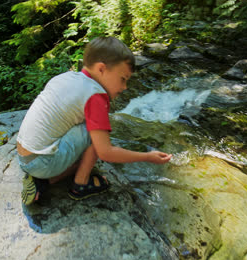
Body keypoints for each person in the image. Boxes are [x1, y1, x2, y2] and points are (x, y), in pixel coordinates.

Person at [17, 36, 172, 205]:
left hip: (25, 157)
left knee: (91, 140)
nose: (125, 87)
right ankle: (80, 185)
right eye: (123, 79)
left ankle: (43, 182)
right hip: (43, 163)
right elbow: (106, 152)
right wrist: (147, 156)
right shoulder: (96, 96)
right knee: (97, 136)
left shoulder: (66, 77)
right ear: (101, 69)